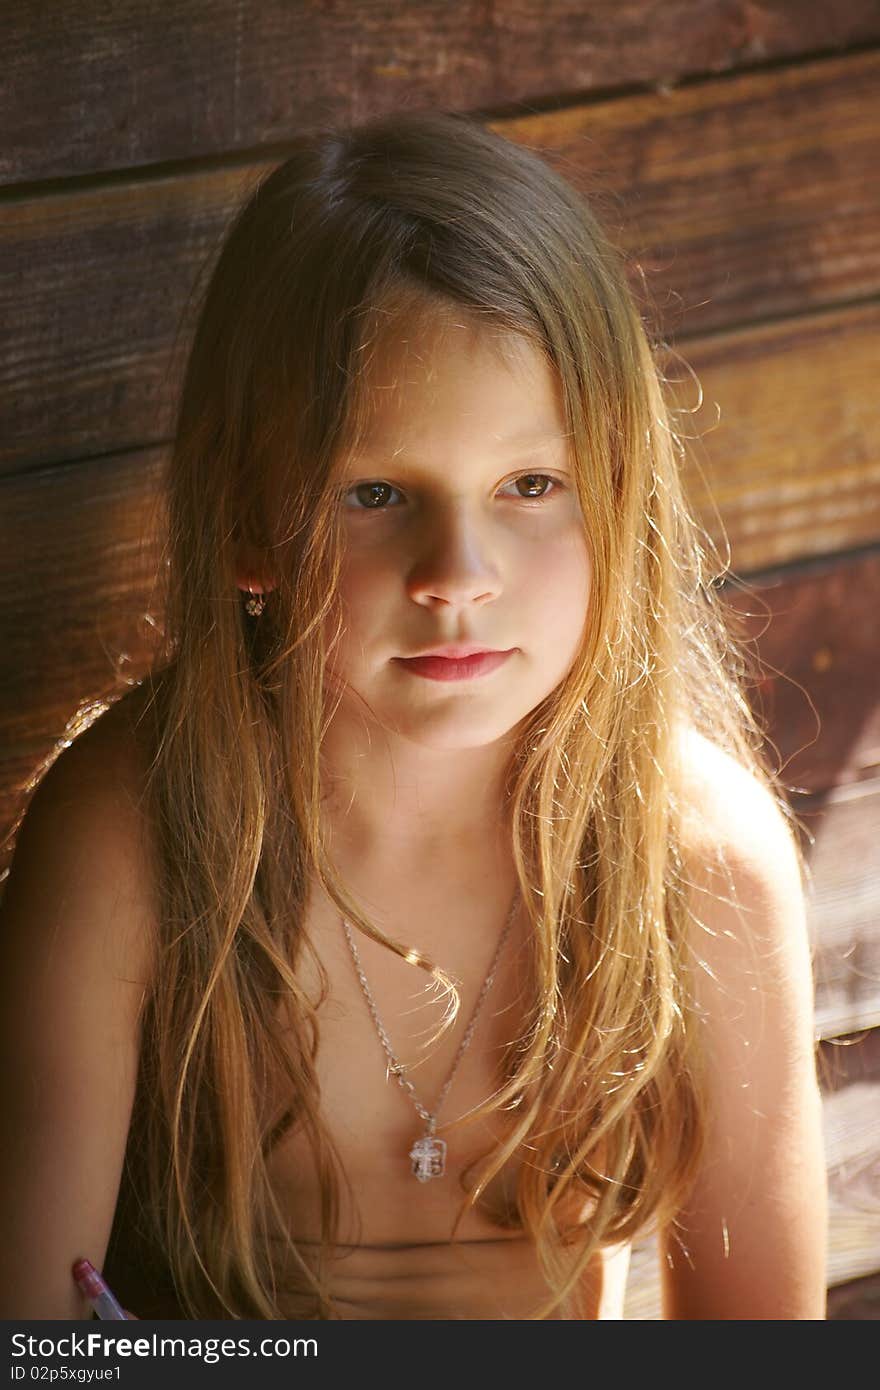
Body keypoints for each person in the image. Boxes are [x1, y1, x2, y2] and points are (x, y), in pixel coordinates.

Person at [0, 109, 826, 1321]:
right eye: (374, 492)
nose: (457, 571)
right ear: (246, 520)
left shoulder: (695, 857)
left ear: (622, 497)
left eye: (531, 485)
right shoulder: (134, 835)